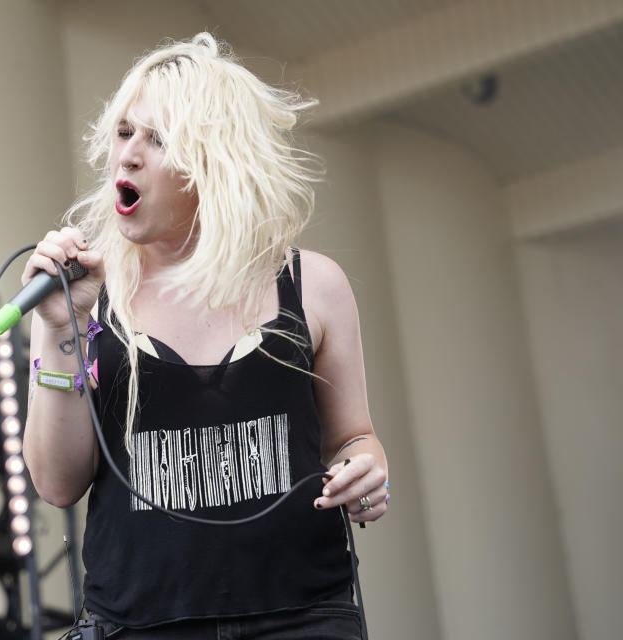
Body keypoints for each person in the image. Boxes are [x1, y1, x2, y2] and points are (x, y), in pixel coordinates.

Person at [21, 33, 388, 639]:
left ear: (215, 160)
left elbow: (356, 436)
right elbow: (56, 483)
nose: (128, 156)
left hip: (302, 618)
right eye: (123, 133)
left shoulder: (310, 285)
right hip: (141, 624)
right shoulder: (87, 296)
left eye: (158, 138)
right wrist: (60, 329)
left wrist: (366, 472)